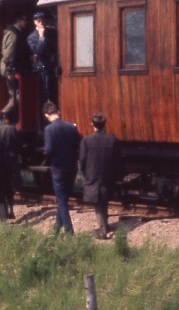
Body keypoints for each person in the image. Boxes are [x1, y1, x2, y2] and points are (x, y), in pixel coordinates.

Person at [79, 112, 121, 240]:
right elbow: (117, 159)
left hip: (92, 174)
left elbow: (82, 159)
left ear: (92, 124)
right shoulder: (112, 139)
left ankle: (103, 230)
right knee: (104, 201)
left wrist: (85, 173)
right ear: (104, 124)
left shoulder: (86, 140)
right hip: (107, 175)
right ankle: (106, 226)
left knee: (97, 204)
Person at [42, 101, 81, 234]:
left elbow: (49, 149)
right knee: (64, 198)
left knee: (62, 201)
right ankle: (56, 229)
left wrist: (46, 157)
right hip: (72, 167)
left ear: (46, 115)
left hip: (58, 168)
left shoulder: (49, 129)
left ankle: (69, 233)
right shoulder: (71, 127)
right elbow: (78, 144)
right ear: (58, 112)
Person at [0, 14, 32, 122]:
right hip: (10, 69)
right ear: (18, 20)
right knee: (16, 97)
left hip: (12, 68)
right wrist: (9, 70)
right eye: (25, 20)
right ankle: (0, 115)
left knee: (15, 96)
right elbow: (9, 53)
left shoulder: (16, 32)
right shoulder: (13, 33)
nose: (26, 23)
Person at [0, 108, 20, 218]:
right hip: (11, 160)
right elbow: (17, 144)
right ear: (3, 117)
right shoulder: (11, 129)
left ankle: (2, 211)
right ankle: (10, 208)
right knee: (9, 186)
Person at [28, 11, 61, 106]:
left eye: (43, 20)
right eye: (39, 21)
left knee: (55, 92)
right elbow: (38, 51)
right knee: (45, 94)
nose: (41, 23)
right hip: (43, 69)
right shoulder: (31, 37)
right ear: (35, 22)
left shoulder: (52, 31)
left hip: (54, 66)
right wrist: (41, 37)